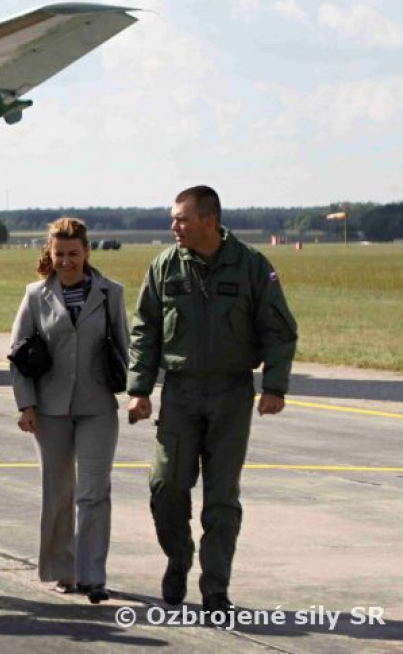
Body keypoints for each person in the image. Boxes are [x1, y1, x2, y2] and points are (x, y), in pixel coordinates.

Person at [127, 185, 297, 615]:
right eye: (174, 218)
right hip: (180, 394)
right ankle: (178, 557)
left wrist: (274, 387)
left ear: (209, 220)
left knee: (221, 499)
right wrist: (139, 389)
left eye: (182, 218)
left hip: (231, 395)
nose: (174, 226)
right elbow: (145, 329)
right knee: (166, 486)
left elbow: (279, 329)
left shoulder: (252, 266)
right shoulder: (165, 266)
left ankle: (215, 588)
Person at [9, 218, 128, 604]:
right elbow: (18, 354)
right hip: (50, 409)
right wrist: (26, 404)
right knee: (58, 492)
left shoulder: (111, 293)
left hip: (98, 407)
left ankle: (92, 576)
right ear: (50, 253)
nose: (66, 261)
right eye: (59, 253)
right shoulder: (35, 295)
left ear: (87, 252)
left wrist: (137, 392)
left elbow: (124, 347)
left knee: (94, 491)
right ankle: (63, 569)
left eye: (73, 253)